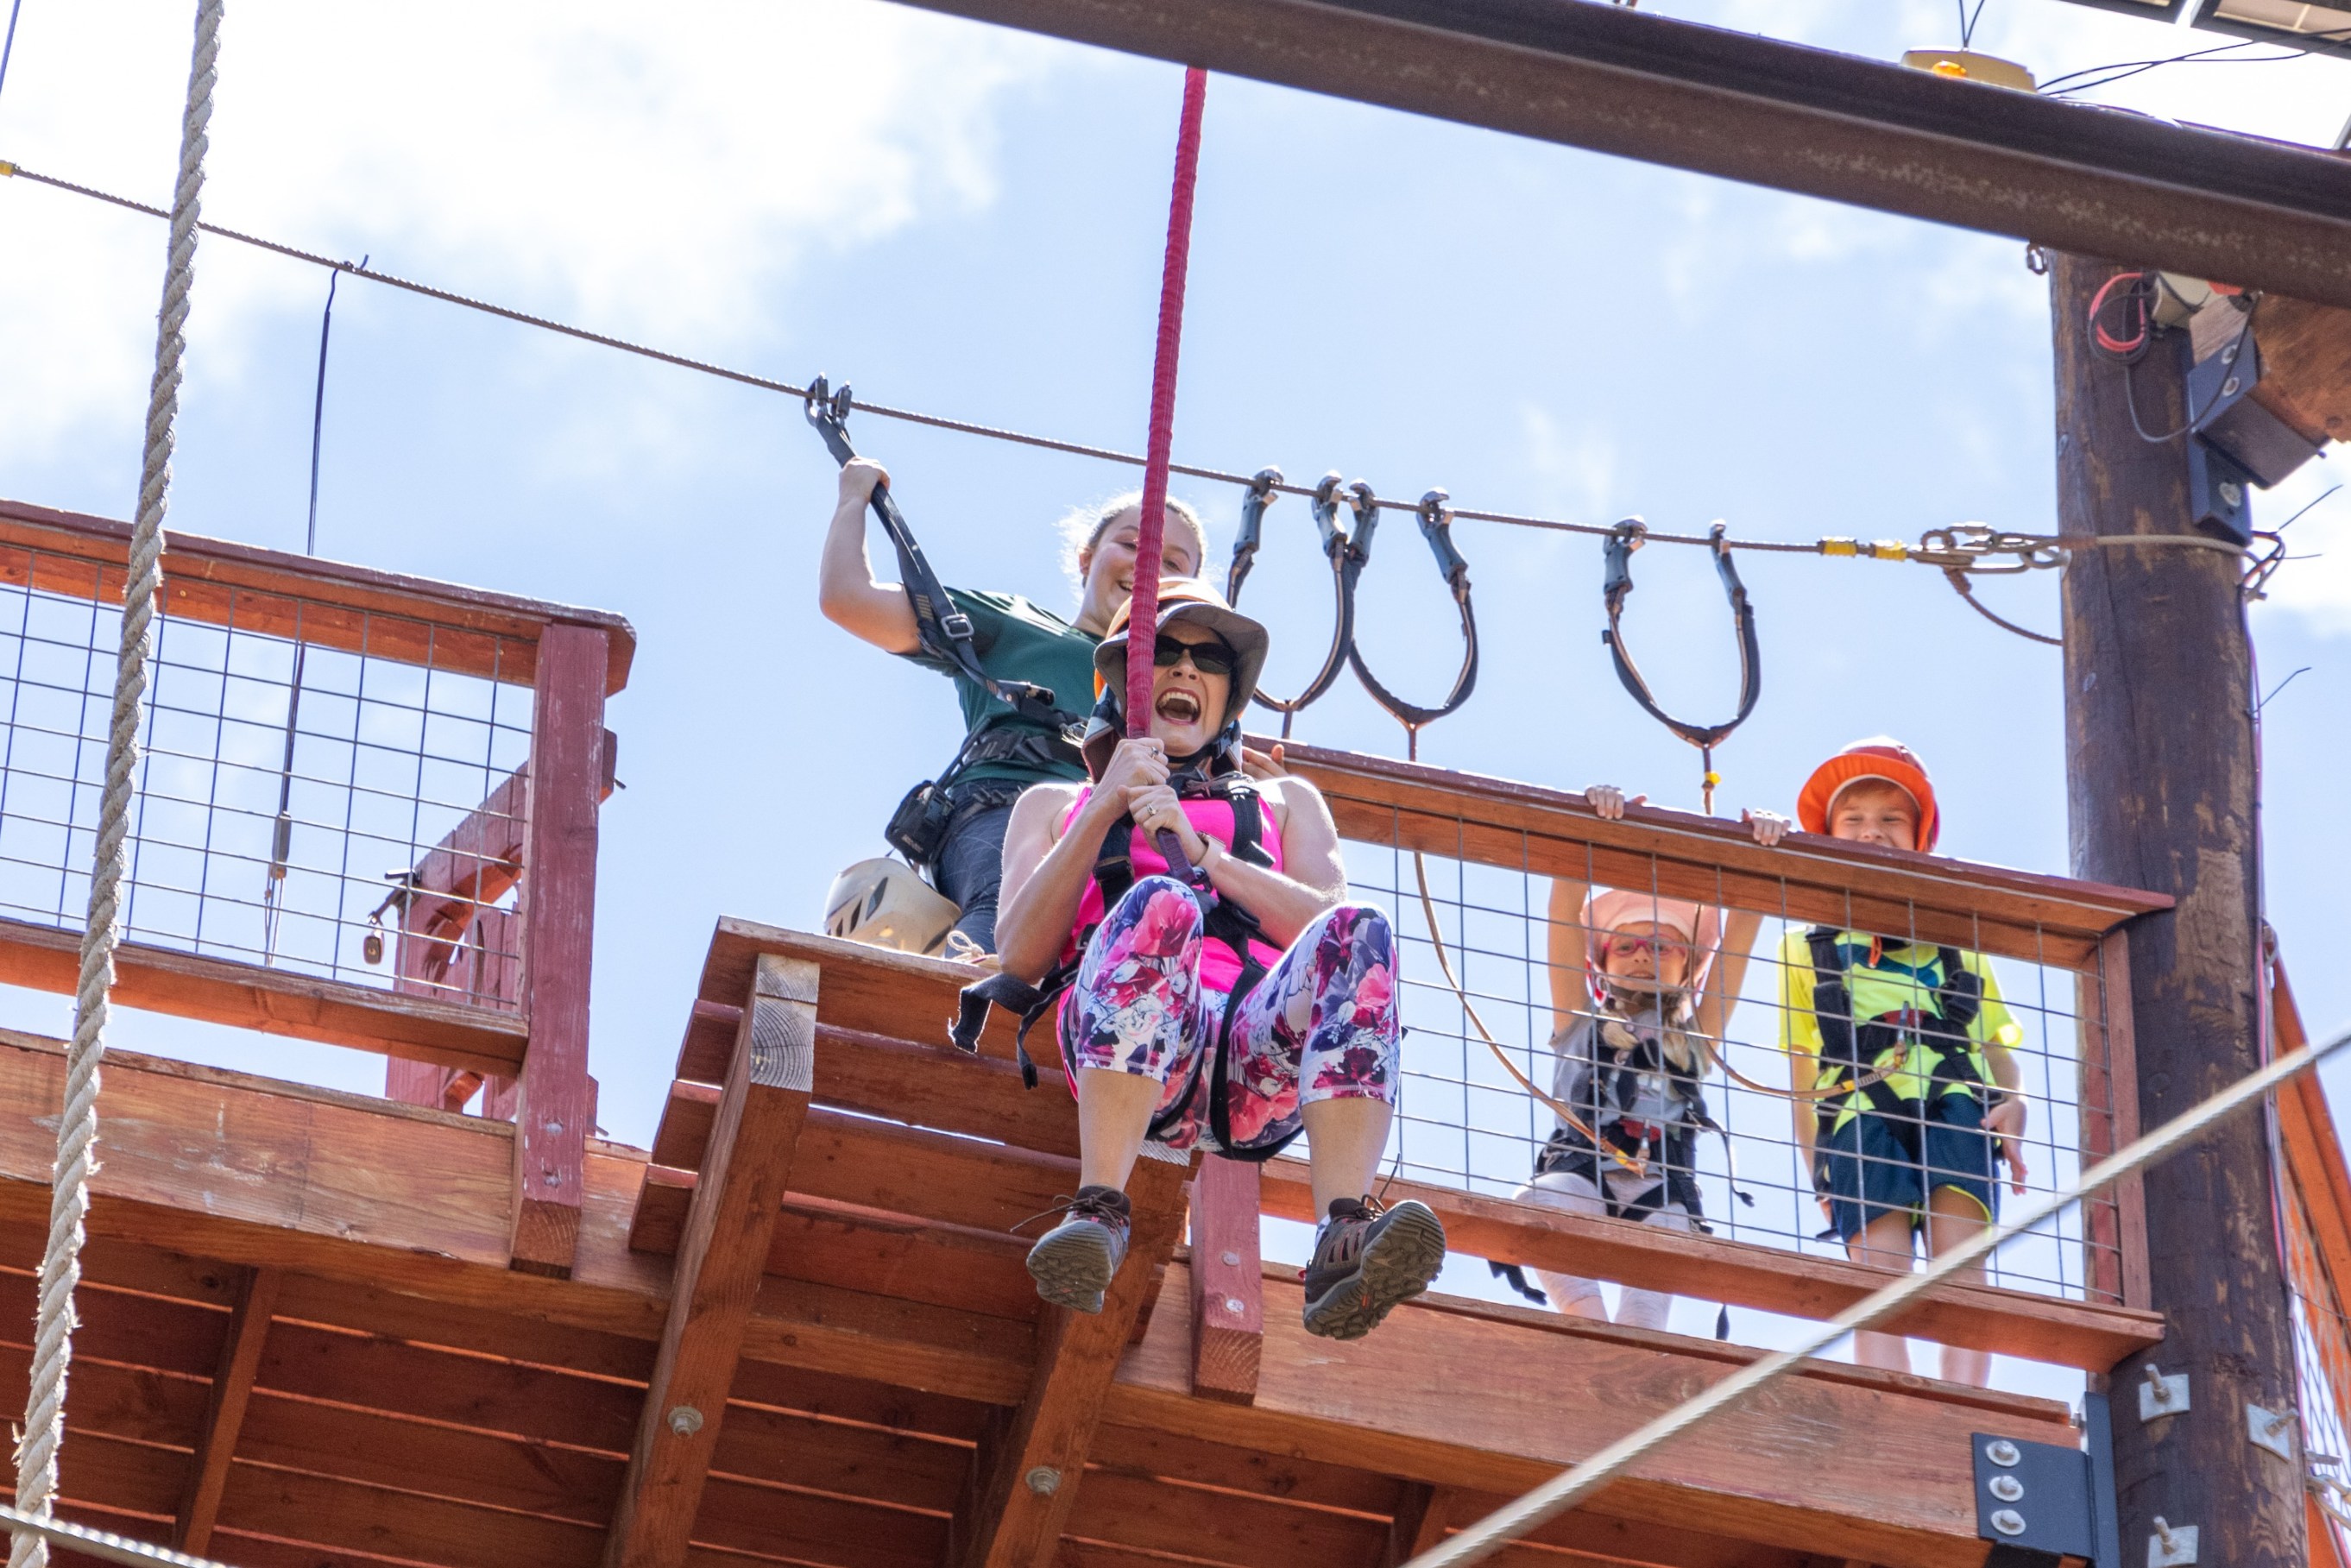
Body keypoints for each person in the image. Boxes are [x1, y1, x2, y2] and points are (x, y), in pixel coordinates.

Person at [990, 580, 1445, 1338]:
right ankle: (1099, 1209)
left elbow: (1327, 922)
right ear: (1126, 683)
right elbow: (1021, 952)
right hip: (1134, 1054)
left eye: (1208, 660)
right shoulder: (1051, 805)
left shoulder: (1286, 800)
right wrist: (1104, 803)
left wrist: (1206, 853)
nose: (1185, 670)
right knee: (1159, 905)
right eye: (1162, 653)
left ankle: (1341, 1233)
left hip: (1251, 1067)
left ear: (1229, 695)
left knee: (1361, 928)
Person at [820, 458, 1207, 953]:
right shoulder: (1018, 624)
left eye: (1172, 563)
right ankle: (970, 989)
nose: (1148, 565)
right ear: (1086, 559)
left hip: (1119, 832)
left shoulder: (1189, 685)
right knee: (1010, 911)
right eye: (1131, 545)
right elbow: (849, 599)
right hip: (1007, 805)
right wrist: (854, 495)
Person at [1777, 739, 2028, 1387]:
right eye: (1853, 819)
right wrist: (1819, 1176)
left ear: (1918, 838)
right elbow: (1802, 1081)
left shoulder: (1960, 948)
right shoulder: (1806, 949)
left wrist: (2016, 1100)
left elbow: (1997, 1047)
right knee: (1879, 1276)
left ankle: (1968, 1403)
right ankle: (1890, 1404)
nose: (1873, 832)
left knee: (1962, 1268)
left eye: (1892, 819)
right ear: (1829, 836)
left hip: (1956, 1106)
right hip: (1860, 1115)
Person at [1511, 786, 1774, 1332]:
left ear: (1688, 966)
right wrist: (1597, 827)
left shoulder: (1695, 1034)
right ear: (1602, 963)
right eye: (1626, 946)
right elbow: (1565, 905)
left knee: (1652, 1295)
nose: (1643, 957)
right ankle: (1589, 1329)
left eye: (1662, 947)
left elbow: (1744, 932)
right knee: (1537, 1205)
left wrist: (1762, 849)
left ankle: (1631, 1345)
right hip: (1581, 1170)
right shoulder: (1580, 1019)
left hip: (1663, 1185)